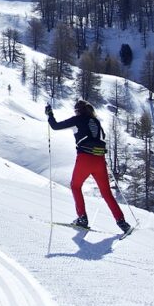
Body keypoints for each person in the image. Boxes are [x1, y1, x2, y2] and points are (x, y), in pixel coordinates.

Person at [46, 99, 131, 234]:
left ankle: (82, 218)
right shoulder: (96, 121)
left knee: (75, 186)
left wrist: (50, 114)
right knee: (107, 193)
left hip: (85, 159)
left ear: (78, 110)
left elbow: (55, 126)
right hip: (99, 160)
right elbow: (102, 137)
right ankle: (122, 223)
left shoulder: (77, 120)